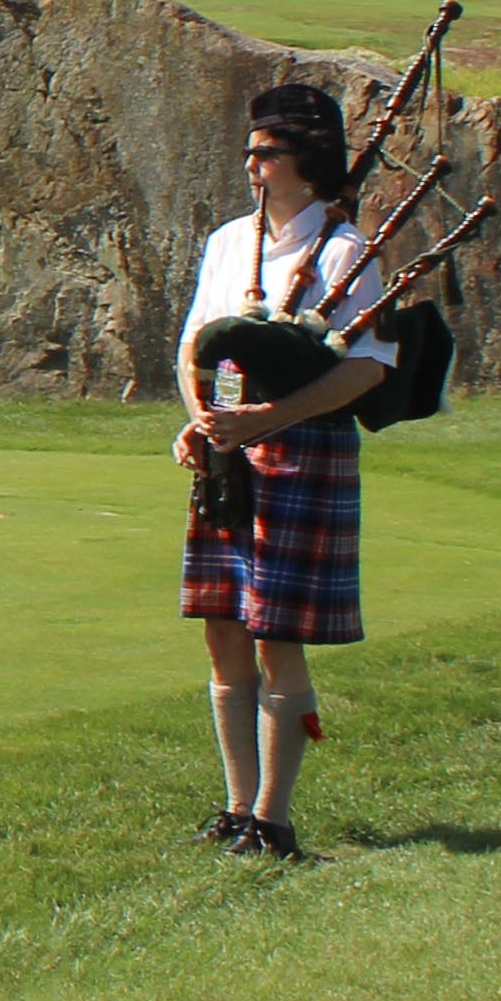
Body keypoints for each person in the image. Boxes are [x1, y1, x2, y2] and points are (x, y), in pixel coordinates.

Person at [178, 78, 391, 864]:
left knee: (276, 642)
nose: (250, 164)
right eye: (249, 150)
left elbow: (368, 368)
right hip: (228, 451)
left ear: (304, 159)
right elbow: (196, 343)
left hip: (302, 453)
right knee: (224, 633)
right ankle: (237, 808)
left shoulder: (345, 250)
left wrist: (268, 419)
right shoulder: (230, 241)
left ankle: (276, 819)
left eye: (265, 152)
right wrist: (199, 417)